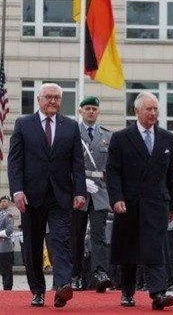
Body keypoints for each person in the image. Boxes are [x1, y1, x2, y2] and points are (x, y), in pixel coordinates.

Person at [8, 82, 87, 308]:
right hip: (31, 196)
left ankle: (62, 286)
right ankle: (37, 290)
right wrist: (17, 190)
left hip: (61, 195)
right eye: (49, 97)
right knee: (33, 245)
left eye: (57, 98)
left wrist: (79, 191)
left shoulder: (70, 126)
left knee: (61, 240)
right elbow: (15, 161)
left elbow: (77, 163)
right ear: (39, 100)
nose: (53, 101)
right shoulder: (24, 124)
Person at [106, 91, 173, 310]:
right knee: (129, 249)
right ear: (136, 111)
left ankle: (158, 293)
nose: (153, 113)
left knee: (155, 248)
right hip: (129, 202)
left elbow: (171, 174)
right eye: (149, 108)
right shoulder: (121, 138)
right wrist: (116, 198)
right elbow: (113, 171)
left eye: (156, 109)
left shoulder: (167, 137)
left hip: (156, 202)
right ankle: (127, 292)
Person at [71, 96, 113, 292]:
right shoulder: (72, 133)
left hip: (100, 191)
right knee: (77, 236)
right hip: (78, 190)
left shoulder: (107, 136)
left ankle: (100, 273)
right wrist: (79, 182)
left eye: (94, 109)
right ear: (80, 111)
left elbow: (112, 167)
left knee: (99, 235)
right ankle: (75, 275)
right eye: (87, 108)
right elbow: (64, 163)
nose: (91, 112)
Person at [0, 195, 15, 290]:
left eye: (5, 201)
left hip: (5, 247)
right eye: (1, 201)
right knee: (2, 270)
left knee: (6, 270)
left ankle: (8, 288)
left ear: (9, 203)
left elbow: (9, 230)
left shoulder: (8, 215)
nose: (2, 203)